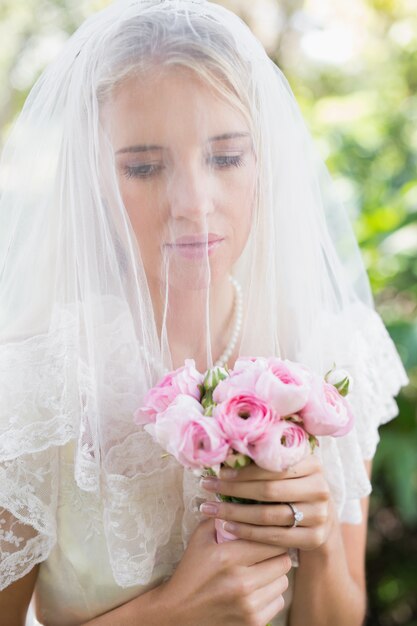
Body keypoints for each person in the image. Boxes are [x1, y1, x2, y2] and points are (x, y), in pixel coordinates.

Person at [0, 1, 408, 625]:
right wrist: (165, 614)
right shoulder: (36, 390)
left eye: (225, 157)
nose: (193, 202)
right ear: (94, 183)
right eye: (143, 166)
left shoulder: (329, 354)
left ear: (264, 162)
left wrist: (321, 538)